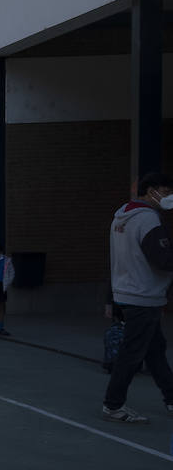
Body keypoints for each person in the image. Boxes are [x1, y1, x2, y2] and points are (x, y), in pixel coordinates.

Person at [103, 173, 173, 424]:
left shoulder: (121, 217)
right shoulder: (147, 219)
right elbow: (163, 260)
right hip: (143, 295)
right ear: (150, 191)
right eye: (165, 192)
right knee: (132, 354)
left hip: (129, 292)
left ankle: (171, 397)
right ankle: (113, 405)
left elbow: (115, 259)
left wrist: (110, 297)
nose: (169, 197)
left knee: (154, 351)